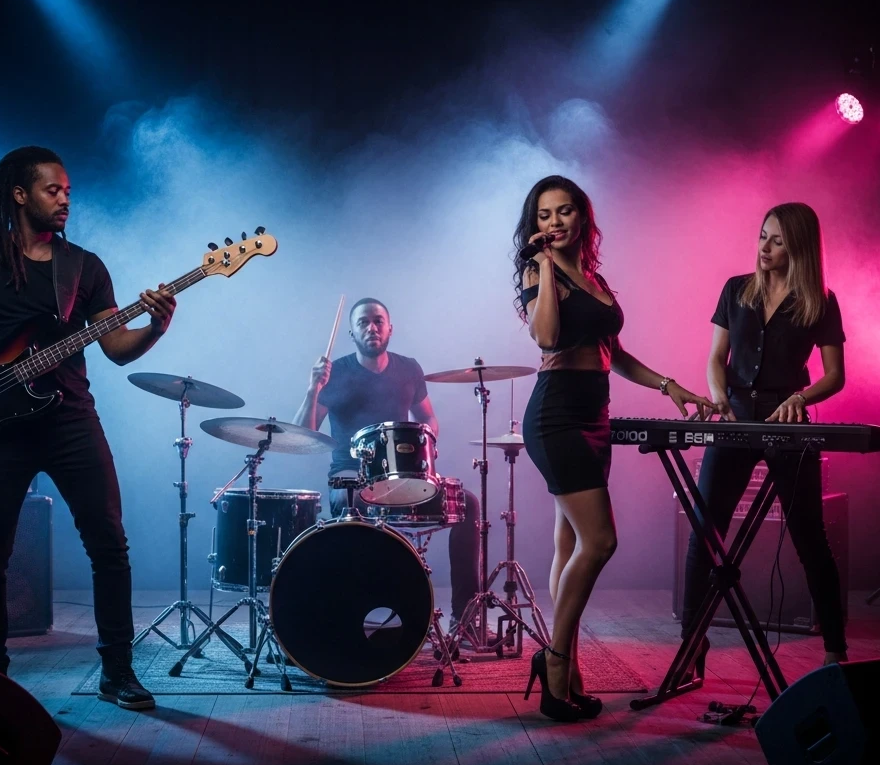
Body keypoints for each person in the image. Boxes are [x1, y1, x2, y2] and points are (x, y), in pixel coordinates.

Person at [0, 145, 177, 710]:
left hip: (70, 421)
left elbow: (115, 349)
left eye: (68, 192)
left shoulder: (84, 267)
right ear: (20, 195)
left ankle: (118, 671)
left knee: (109, 545)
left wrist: (154, 327)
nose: (65, 200)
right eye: (52, 190)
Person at [513, 175, 715, 722]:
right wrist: (550, 267)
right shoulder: (539, 271)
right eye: (544, 215)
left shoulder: (596, 277)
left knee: (567, 547)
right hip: (556, 415)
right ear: (535, 226)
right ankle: (556, 662)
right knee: (599, 542)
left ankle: (568, 668)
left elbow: (614, 353)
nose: (554, 223)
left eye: (564, 212)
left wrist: (670, 385)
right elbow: (549, 338)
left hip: (595, 417)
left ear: (583, 217)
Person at [679, 202, 848, 674]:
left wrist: (802, 396)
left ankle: (835, 648)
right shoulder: (736, 290)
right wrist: (719, 399)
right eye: (762, 236)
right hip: (734, 420)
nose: (765, 247)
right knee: (705, 532)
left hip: (788, 425)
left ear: (799, 248)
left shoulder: (820, 300)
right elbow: (717, 358)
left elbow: (835, 376)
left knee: (810, 538)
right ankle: (692, 641)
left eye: (777, 240)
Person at [293, 298, 480, 632]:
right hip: (350, 477)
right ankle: (347, 613)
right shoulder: (335, 373)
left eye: (378, 321)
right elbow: (303, 435)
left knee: (469, 503)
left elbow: (429, 419)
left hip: (402, 477)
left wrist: (424, 448)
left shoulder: (409, 368)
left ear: (390, 327)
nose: (372, 327)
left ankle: (464, 618)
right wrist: (312, 389)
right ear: (352, 332)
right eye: (363, 322)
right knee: (350, 501)